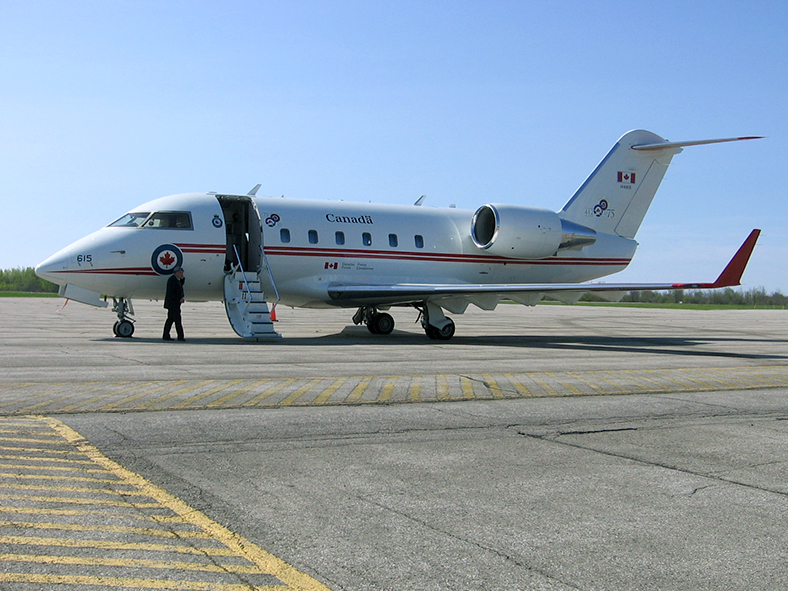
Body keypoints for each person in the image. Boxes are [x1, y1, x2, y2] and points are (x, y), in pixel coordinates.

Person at [163, 267, 185, 341]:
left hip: (173, 304)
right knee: (177, 321)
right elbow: (172, 293)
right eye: (181, 273)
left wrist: (182, 279)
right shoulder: (173, 280)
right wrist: (179, 299)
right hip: (173, 304)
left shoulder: (176, 280)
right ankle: (180, 337)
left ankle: (166, 335)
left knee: (170, 320)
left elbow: (180, 286)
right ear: (177, 273)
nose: (182, 274)